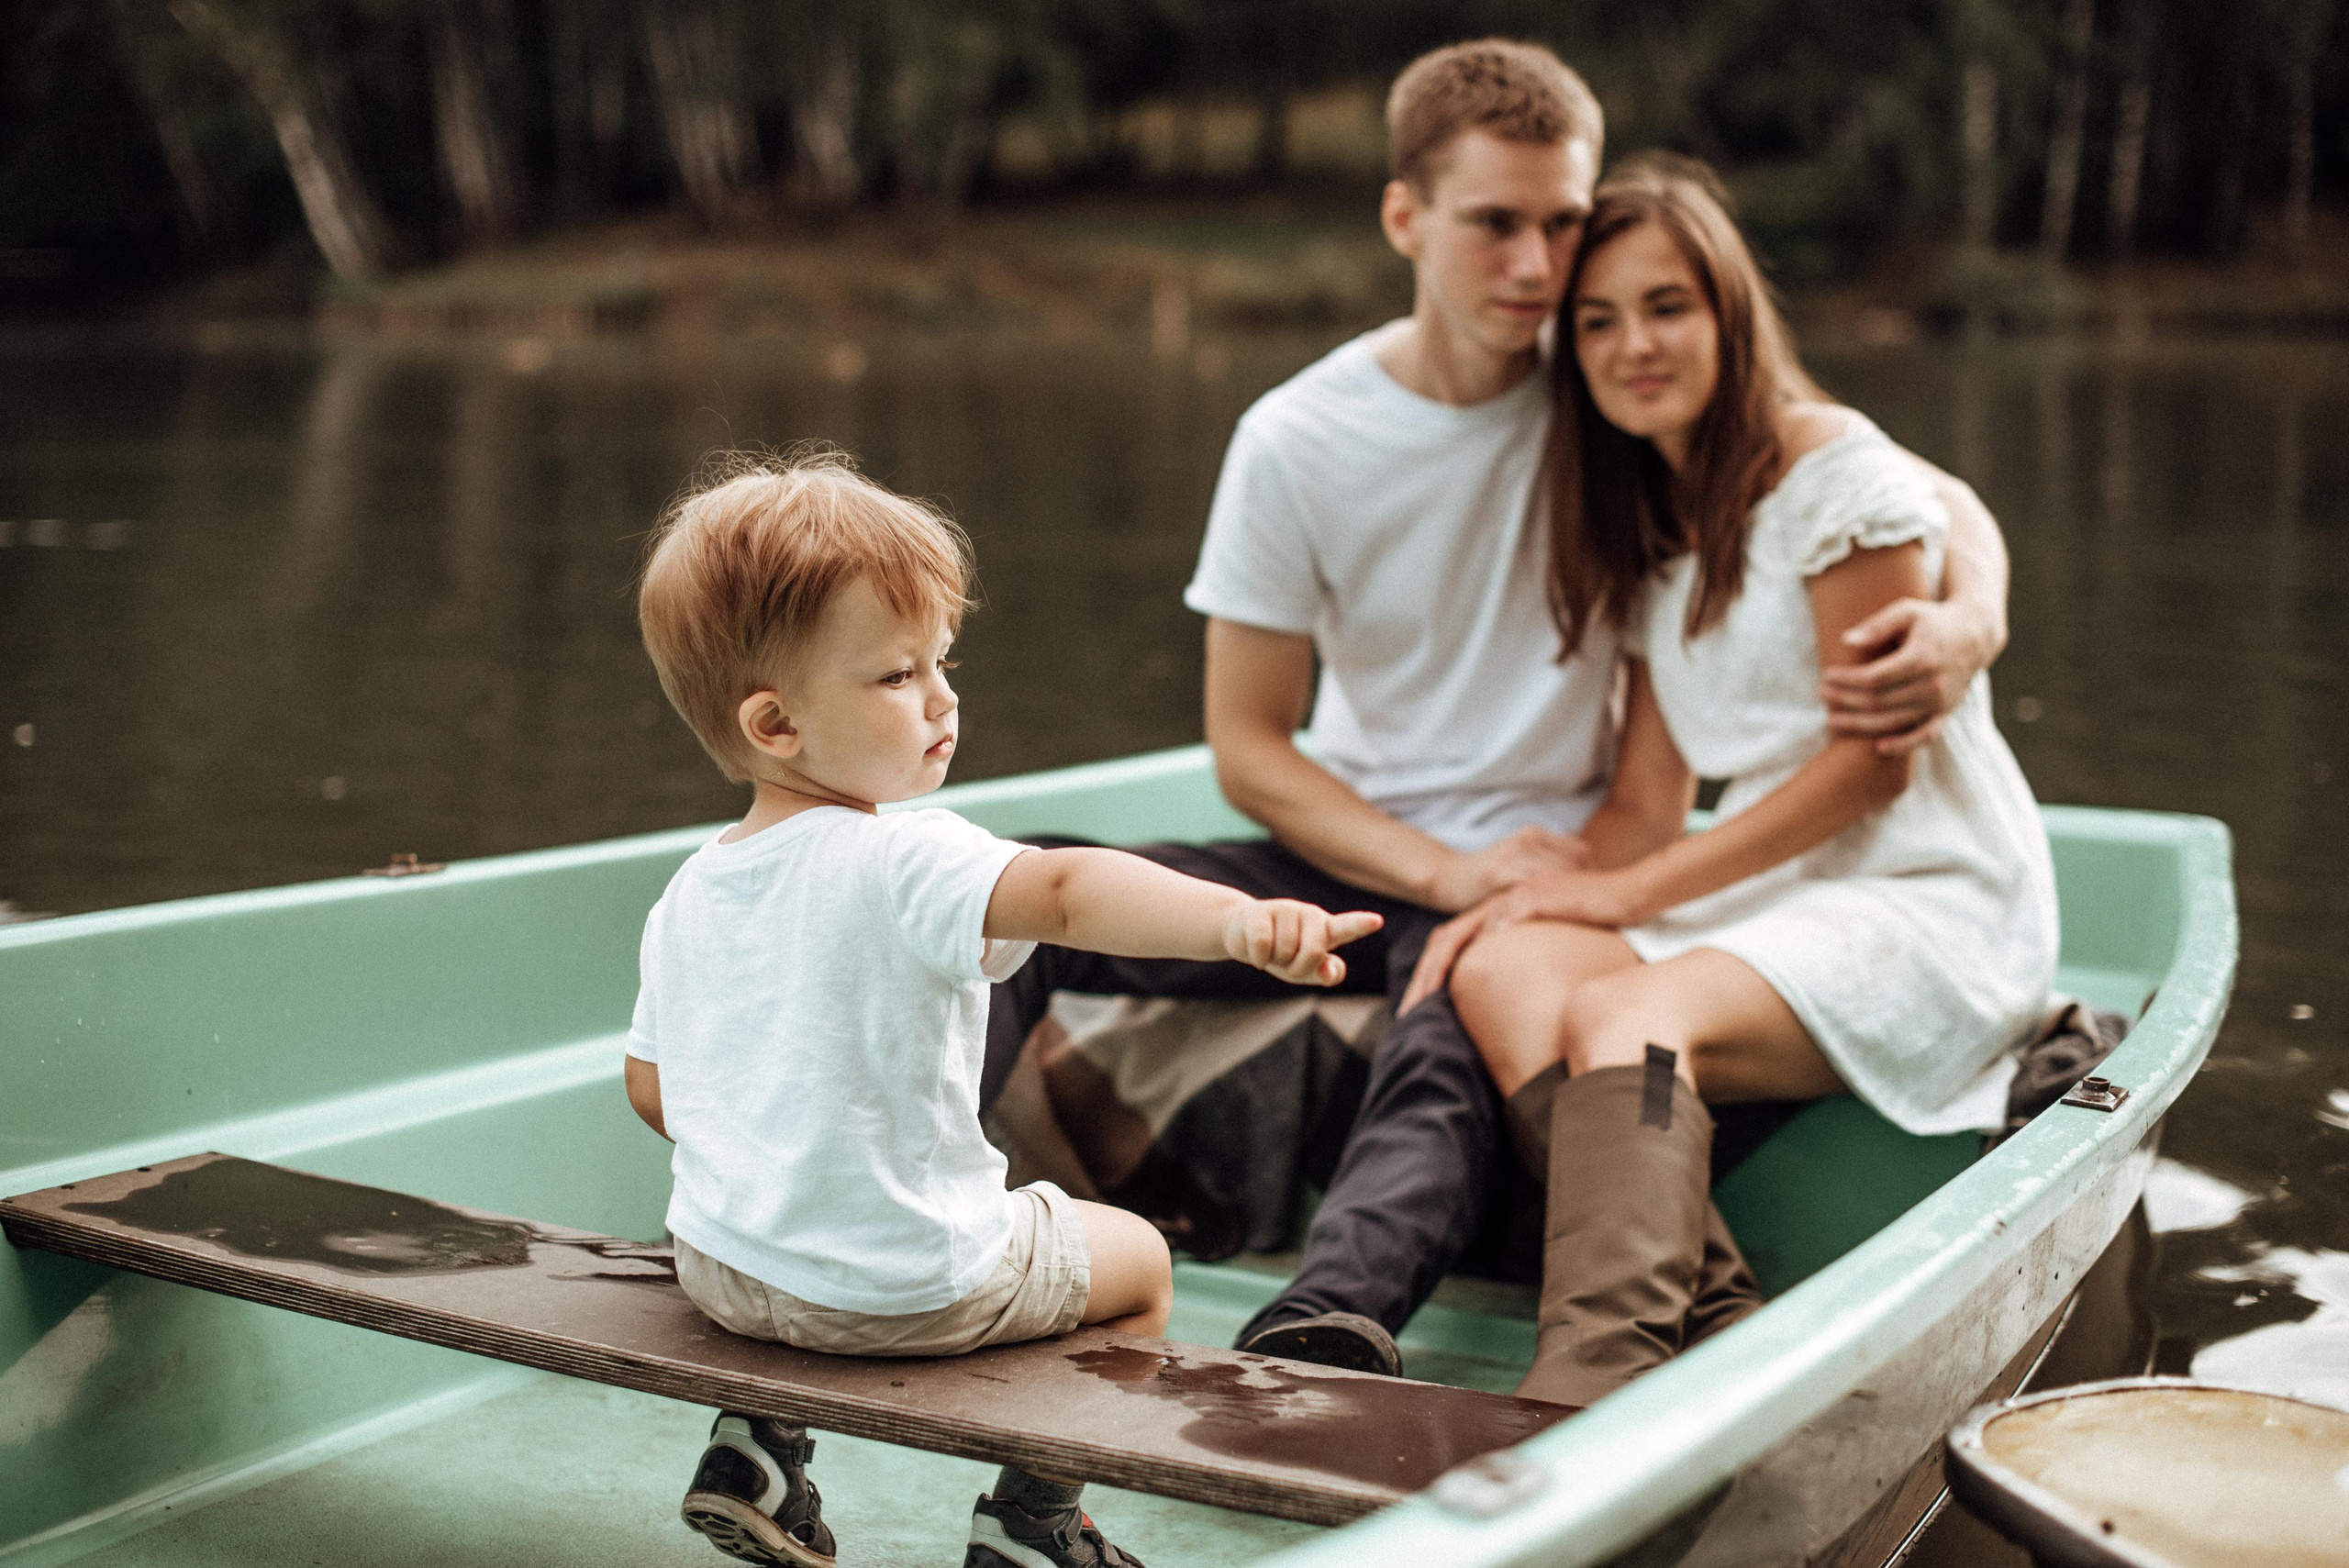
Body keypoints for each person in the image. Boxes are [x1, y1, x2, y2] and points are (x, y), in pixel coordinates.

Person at [985, 39, 2017, 1377]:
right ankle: (928, 1219)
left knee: (1454, 998)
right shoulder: (1301, 438)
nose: (1540, 268)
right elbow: (1248, 743)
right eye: (1496, 225)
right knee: (1011, 894)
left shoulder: (1612, 396)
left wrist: (1972, 616)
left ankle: (1328, 1324)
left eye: (1562, 224)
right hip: (1355, 848)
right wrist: (1439, 867)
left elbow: (1899, 485)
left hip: (1571, 846)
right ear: (1406, 218)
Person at [624, 451, 1380, 1568]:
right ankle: (1036, 1518)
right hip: (902, 1284)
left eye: (942, 660)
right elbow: (1069, 887)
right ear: (776, 723)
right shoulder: (907, 852)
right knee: (1133, 1261)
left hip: (726, 1269)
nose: (941, 697)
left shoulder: (691, 887)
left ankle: (756, 1449)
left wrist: (778, 1157)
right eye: (894, 675)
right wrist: (1235, 923)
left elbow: (653, 1090)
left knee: (809, 1243)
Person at [1402, 159, 2060, 1407]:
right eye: (1597, 321)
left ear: (1729, 313)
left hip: (1932, 894)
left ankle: (1583, 1391)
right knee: (1504, 967)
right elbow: (1648, 800)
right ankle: (1714, 1330)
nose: (1632, 344)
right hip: (1792, 892)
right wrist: (1531, 896)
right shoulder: (1660, 537)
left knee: (1626, 1016)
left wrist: (1627, 897)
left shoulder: (1835, 479)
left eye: (1667, 306)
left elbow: (1870, 774)